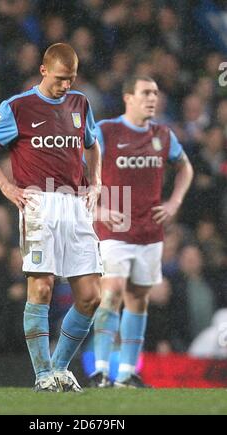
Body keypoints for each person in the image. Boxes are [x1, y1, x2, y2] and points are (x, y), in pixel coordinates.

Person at [0, 43, 103, 392]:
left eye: (71, 80)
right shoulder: (18, 106)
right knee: (41, 288)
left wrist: (98, 181)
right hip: (39, 204)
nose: (66, 86)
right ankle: (43, 374)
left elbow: (93, 143)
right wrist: (4, 185)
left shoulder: (80, 103)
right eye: (60, 79)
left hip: (76, 205)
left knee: (91, 296)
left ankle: (59, 367)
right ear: (44, 71)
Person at [90, 75, 193, 388]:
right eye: (146, 93)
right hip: (114, 229)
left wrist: (174, 202)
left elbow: (186, 167)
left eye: (156, 93)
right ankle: (100, 370)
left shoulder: (163, 134)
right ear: (128, 97)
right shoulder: (106, 131)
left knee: (139, 300)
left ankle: (127, 374)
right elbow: (75, 169)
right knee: (112, 293)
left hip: (149, 231)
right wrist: (96, 210)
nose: (153, 99)